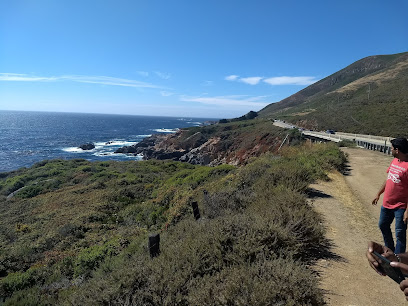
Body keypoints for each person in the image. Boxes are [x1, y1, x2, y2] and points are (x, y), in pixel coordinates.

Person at [372, 138, 408, 254]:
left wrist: (407, 210)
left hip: (400, 207)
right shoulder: (395, 161)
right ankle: (390, 251)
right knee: (383, 225)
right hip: (387, 204)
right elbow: (388, 179)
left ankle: (399, 260)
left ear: (397, 150)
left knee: (400, 234)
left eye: (391, 148)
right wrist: (378, 193)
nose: (390, 150)